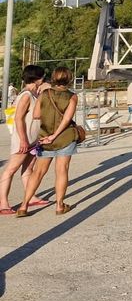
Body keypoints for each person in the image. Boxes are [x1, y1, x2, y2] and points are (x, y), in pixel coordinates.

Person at [17, 66, 79, 217]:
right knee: (62, 171)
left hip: (45, 138)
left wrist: (50, 134)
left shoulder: (45, 93)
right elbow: (67, 119)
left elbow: (37, 115)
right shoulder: (72, 96)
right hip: (65, 138)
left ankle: (24, 206)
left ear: (53, 77)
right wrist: (56, 134)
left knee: (38, 172)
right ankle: (59, 205)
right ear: (69, 78)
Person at [0, 65, 47, 215]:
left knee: (28, 169)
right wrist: (23, 140)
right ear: (37, 79)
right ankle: (3, 203)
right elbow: (18, 118)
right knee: (11, 169)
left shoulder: (33, 94)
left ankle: (31, 196)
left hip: (32, 140)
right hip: (24, 139)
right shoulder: (26, 95)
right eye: (42, 77)